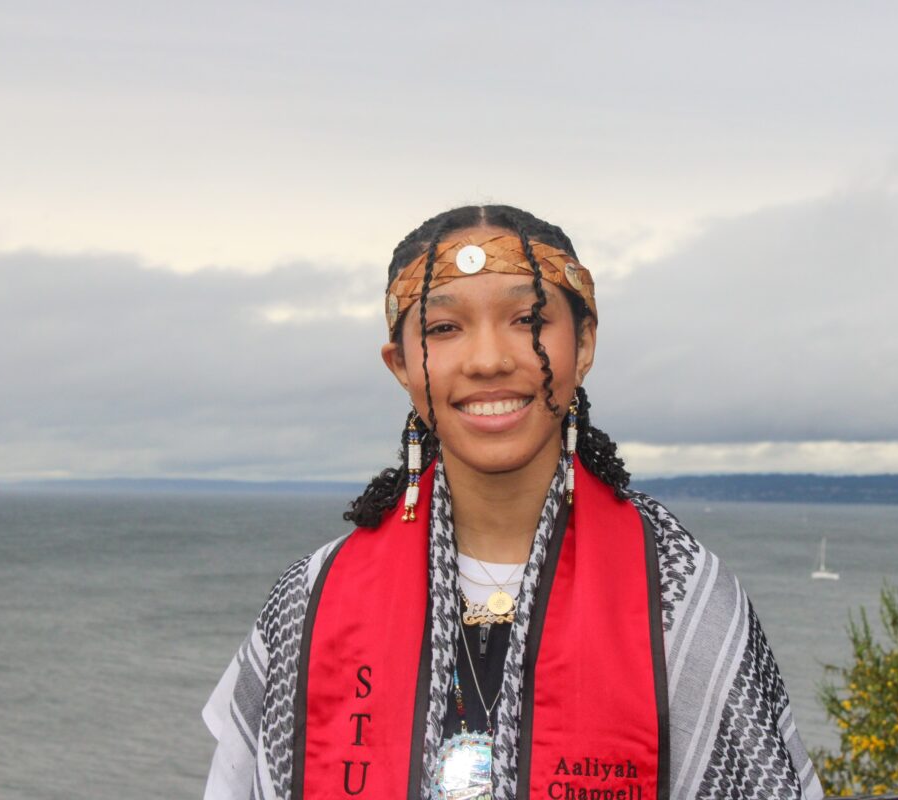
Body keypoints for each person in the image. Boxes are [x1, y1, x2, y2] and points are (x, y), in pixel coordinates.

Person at [202, 205, 823, 800]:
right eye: (444, 328)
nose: (489, 359)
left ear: (583, 344)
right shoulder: (309, 606)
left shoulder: (684, 601)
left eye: (527, 321)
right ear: (400, 366)